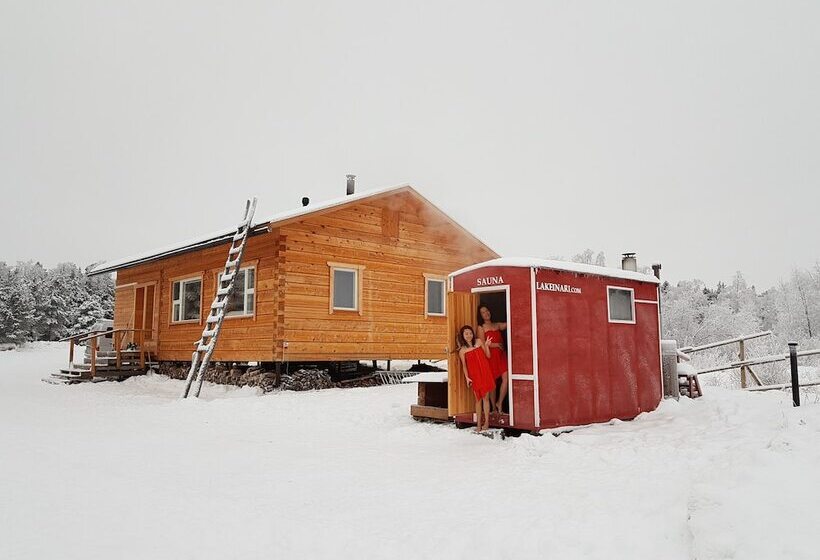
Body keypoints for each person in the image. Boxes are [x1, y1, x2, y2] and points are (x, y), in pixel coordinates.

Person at [457, 325, 495, 432]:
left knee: (486, 399)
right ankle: (478, 424)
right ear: (463, 336)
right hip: (475, 376)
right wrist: (467, 378)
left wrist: (487, 345)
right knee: (478, 399)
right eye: (466, 334)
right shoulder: (462, 351)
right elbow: (464, 366)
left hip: (485, 372)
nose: (469, 335)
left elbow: (488, 356)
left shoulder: (478, 341)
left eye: (470, 333)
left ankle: (486, 422)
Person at [477, 305, 508, 413]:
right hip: (490, 356)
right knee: (493, 383)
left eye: (487, 310)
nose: (486, 313)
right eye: (483, 312)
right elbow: (482, 343)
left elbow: (509, 323)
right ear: (480, 315)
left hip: (501, 355)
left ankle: (499, 402)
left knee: (506, 378)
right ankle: (494, 408)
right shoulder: (481, 327)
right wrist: (496, 345)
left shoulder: (496, 324)